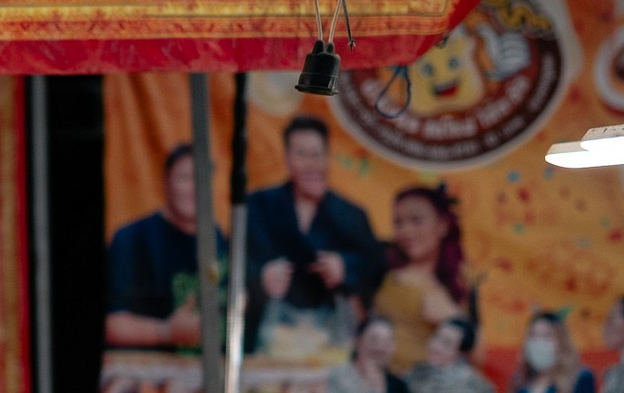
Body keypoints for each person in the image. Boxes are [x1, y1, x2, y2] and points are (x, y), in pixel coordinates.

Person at [246, 117, 385, 352]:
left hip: (330, 338)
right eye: (302, 155)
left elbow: (376, 265)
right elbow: (233, 261)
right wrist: (261, 277)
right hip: (266, 337)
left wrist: (345, 268)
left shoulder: (351, 214)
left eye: (318, 154)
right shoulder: (258, 206)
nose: (312, 164)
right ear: (288, 159)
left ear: (328, 157)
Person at [105, 143, 227, 348]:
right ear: (165, 182)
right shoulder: (132, 239)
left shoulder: (216, 237)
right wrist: (166, 332)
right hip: (147, 373)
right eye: (185, 178)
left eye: (202, 180)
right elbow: (112, 325)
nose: (194, 189)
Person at [373, 185, 473, 373]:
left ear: (442, 226)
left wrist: (452, 320)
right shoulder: (386, 269)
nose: (406, 231)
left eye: (416, 220)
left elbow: (476, 356)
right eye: (399, 223)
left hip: (421, 390)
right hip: (379, 384)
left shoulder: (451, 286)